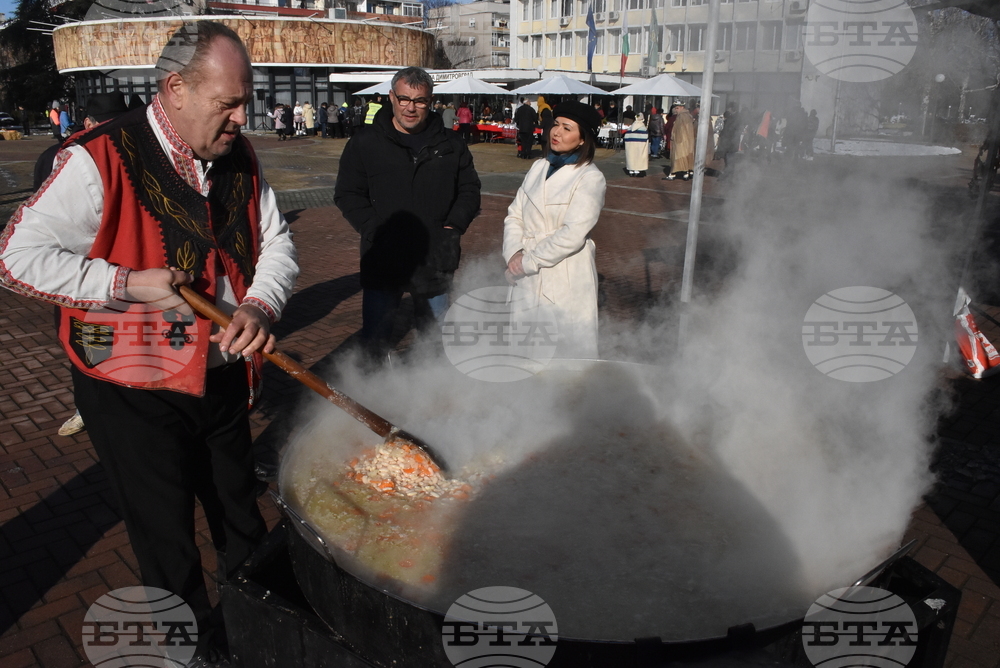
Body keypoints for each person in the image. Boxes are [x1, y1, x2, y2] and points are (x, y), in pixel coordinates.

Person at [0, 21, 299, 666]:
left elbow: (275, 239)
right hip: (128, 383)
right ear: (175, 89)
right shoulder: (97, 156)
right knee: (165, 535)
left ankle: (260, 626)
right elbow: (16, 258)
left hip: (220, 372)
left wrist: (258, 303)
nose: (242, 118)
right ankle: (196, 648)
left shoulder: (239, 154)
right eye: (227, 103)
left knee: (240, 514)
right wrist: (124, 282)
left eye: (245, 101)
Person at [335, 67, 481, 358]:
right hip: (383, 257)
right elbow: (348, 194)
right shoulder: (365, 143)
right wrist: (376, 230)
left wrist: (453, 228)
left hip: (435, 257)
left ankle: (431, 385)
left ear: (430, 101)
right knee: (375, 341)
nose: (410, 108)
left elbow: (469, 190)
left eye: (420, 101)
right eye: (404, 99)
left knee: (435, 341)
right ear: (391, 97)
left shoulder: (451, 144)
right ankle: (373, 384)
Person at [503, 101, 606, 359]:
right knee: (524, 352)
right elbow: (515, 214)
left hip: (564, 272)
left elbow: (572, 234)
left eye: (567, 128)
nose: (556, 132)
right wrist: (514, 253)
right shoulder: (538, 166)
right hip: (525, 269)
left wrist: (528, 262)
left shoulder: (590, 177)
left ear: (582, 139)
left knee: (563, 357)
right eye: (556, 124)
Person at [665, 102, 694, 180]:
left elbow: (678, 129)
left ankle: (673, 173)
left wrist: (675, 137)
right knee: (686, 156)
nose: (676, 110)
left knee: (678, 156)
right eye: (675, 108)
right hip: (688, 140)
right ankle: (686, 173)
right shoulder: (688, 115)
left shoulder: (681, 116)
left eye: (677, 108)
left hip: (680, 140)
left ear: (682, 107)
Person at [623, 112, 649, 177]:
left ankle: (631, 170)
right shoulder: (642, 126)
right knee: (638, 157)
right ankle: (637, 170)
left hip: (630, 144)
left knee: (631, 156)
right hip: (640, 144)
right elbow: (645, 136)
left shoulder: (632, 126)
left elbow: (627, 135)